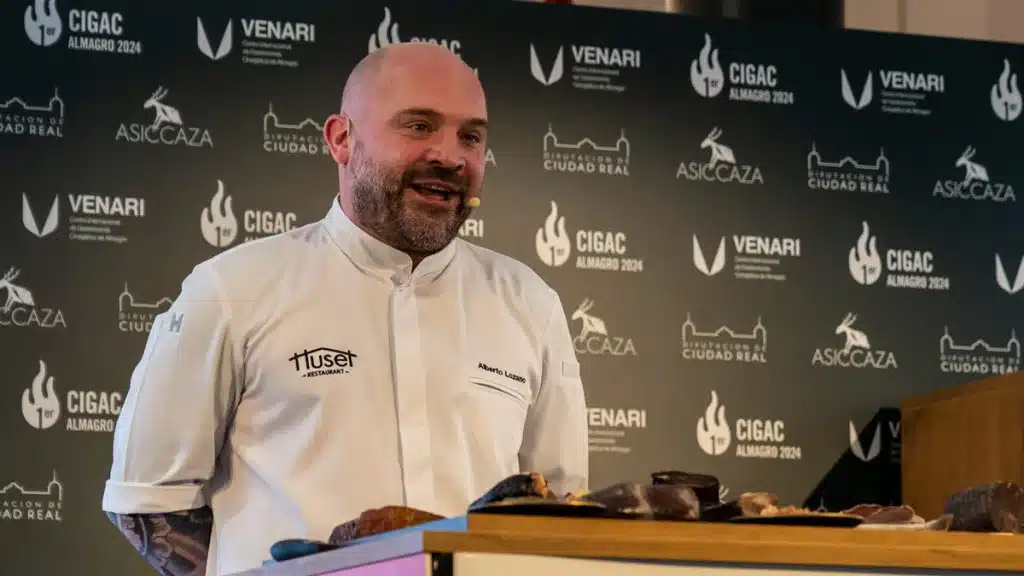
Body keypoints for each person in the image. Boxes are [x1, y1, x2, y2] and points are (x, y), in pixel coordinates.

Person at [100, 42, 589, 576]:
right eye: (419, 126)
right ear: (340, 139)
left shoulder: (530, 304)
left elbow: (558, 514)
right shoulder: (231, 289)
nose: (450, 155)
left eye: (470, 136)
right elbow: (148, 503)